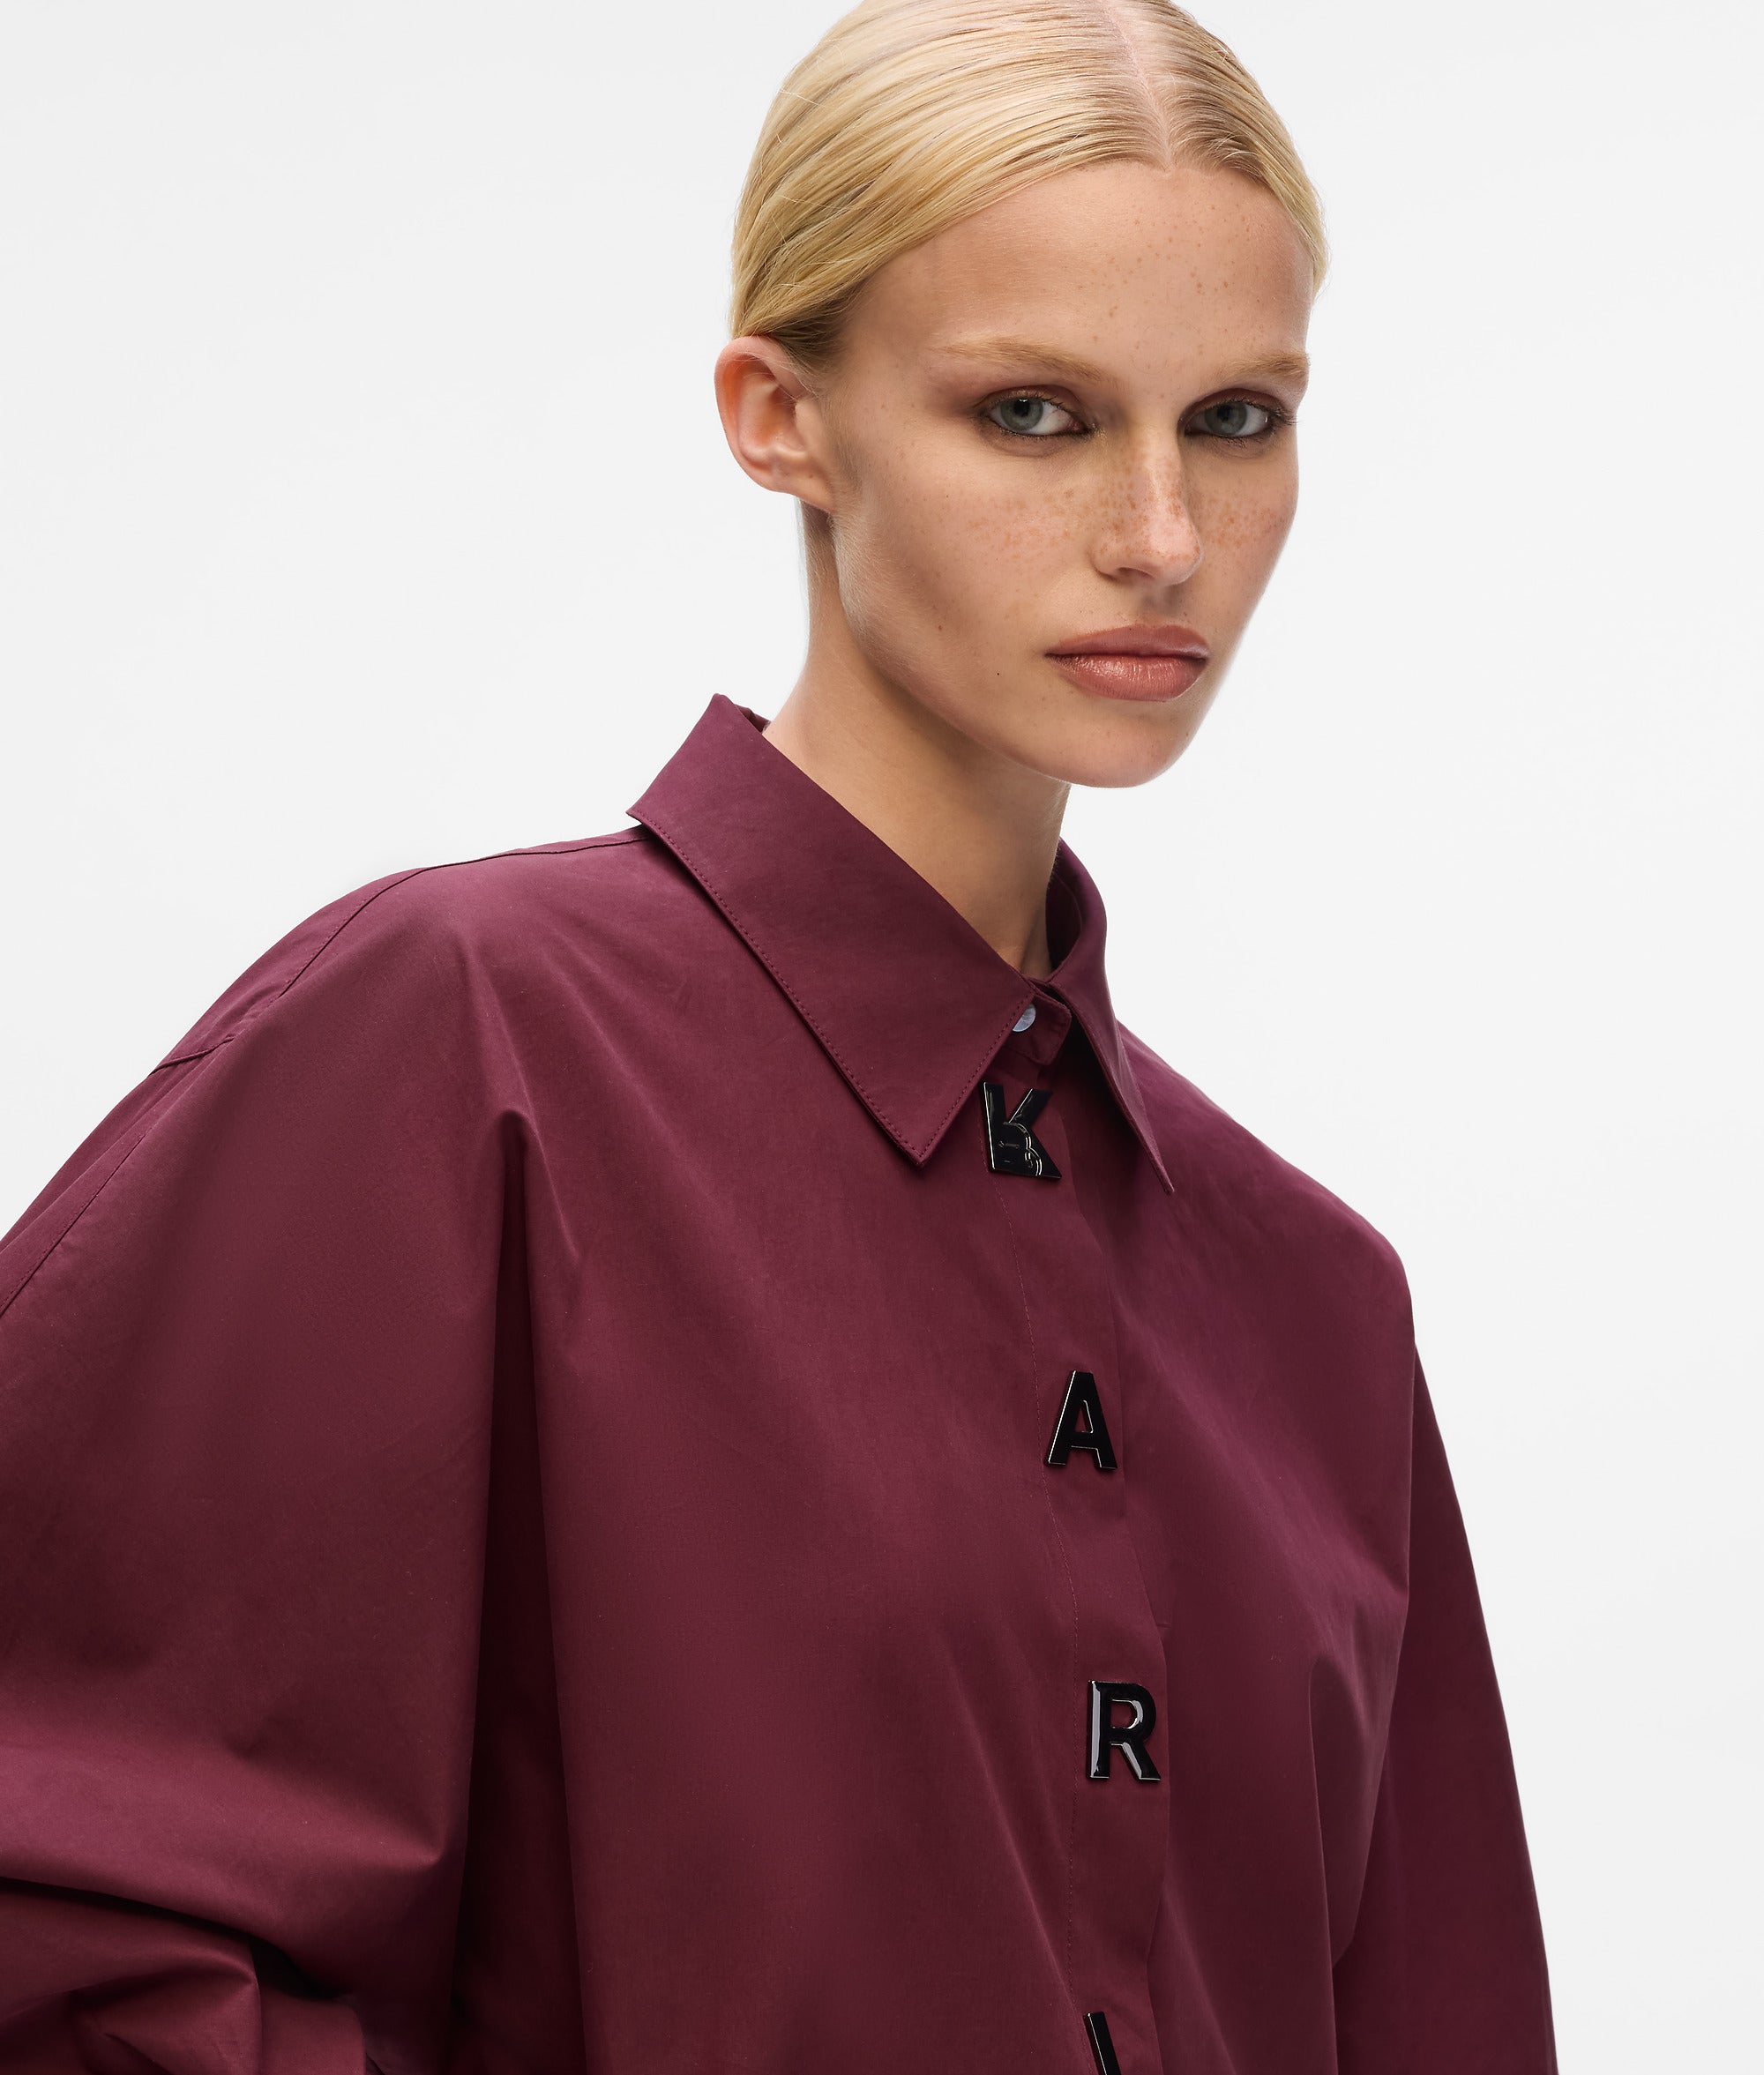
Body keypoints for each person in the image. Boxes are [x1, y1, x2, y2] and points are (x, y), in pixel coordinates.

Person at [0, 3, 1556, 2070]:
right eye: (1032, 413)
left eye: (1235, 419)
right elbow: (72, 1922)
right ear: (778, 417)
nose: (1161, 533)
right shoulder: (459, 1046)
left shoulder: (1314, 1302)